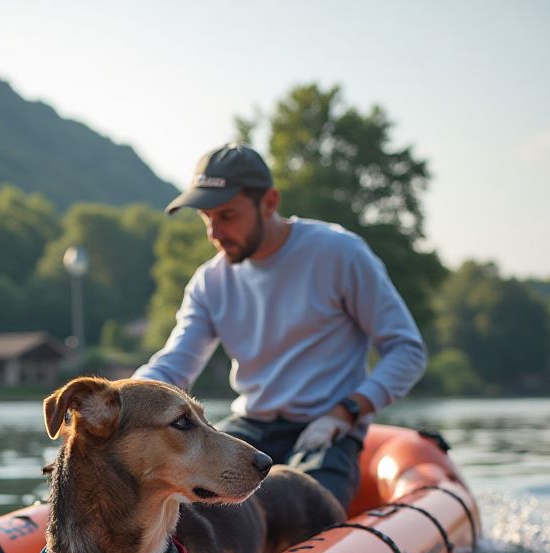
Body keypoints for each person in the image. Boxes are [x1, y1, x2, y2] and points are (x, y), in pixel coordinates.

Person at [134, 143, 427, 510]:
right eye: (206, 217)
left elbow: (407, 350)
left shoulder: (339, 254)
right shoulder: (210, 281)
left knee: (306, 510)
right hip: (251, 427)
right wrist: (118, 405)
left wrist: (346, 412)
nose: (214, 232)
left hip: (328, 427)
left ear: (269, 202)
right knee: (188, 518)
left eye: (227, 215)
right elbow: (175, 364)